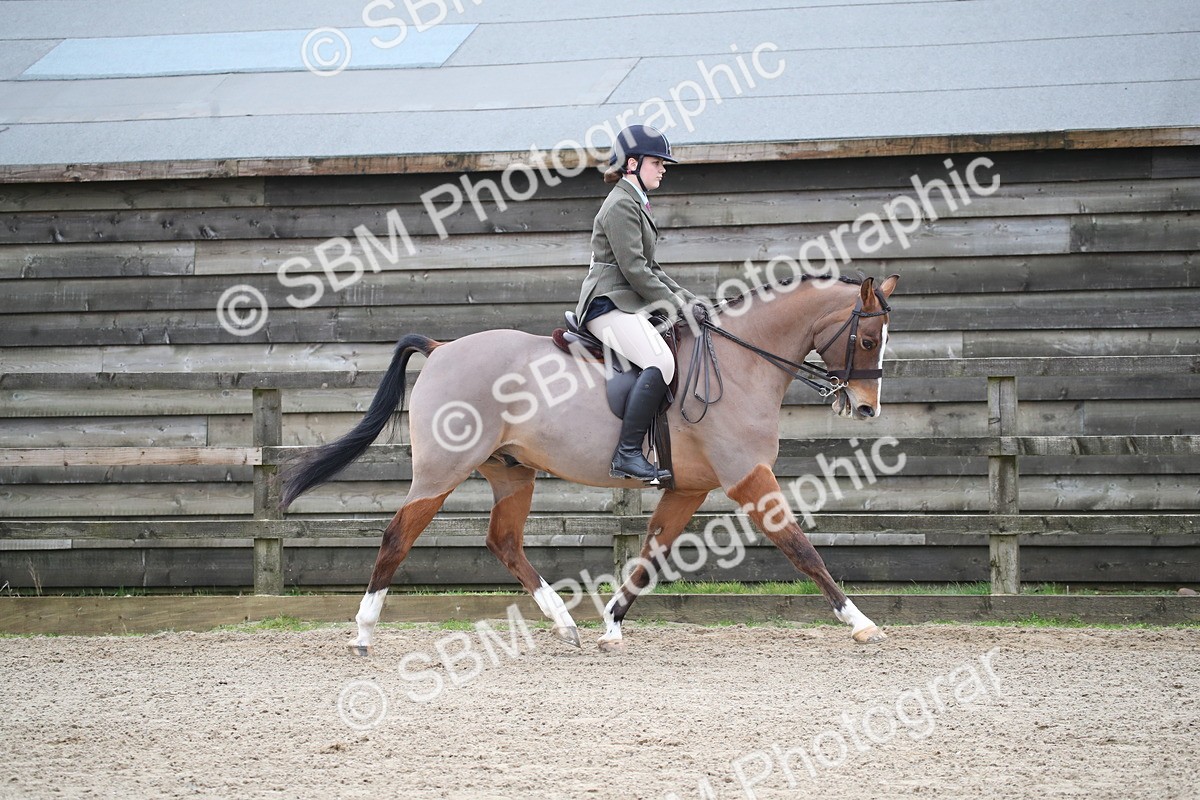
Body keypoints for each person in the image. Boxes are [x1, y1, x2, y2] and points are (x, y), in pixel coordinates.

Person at [574, 124, 703, 483]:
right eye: (657, 161)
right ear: (632, 163)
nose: (663, 168)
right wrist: (676, 307)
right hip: (607, 304)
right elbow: (633, 270)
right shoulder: (620, 205)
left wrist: (691, 301)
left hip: (626, 302)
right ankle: (627, 454)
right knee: (660, 360)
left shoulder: (636, 202)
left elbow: (652, 268)